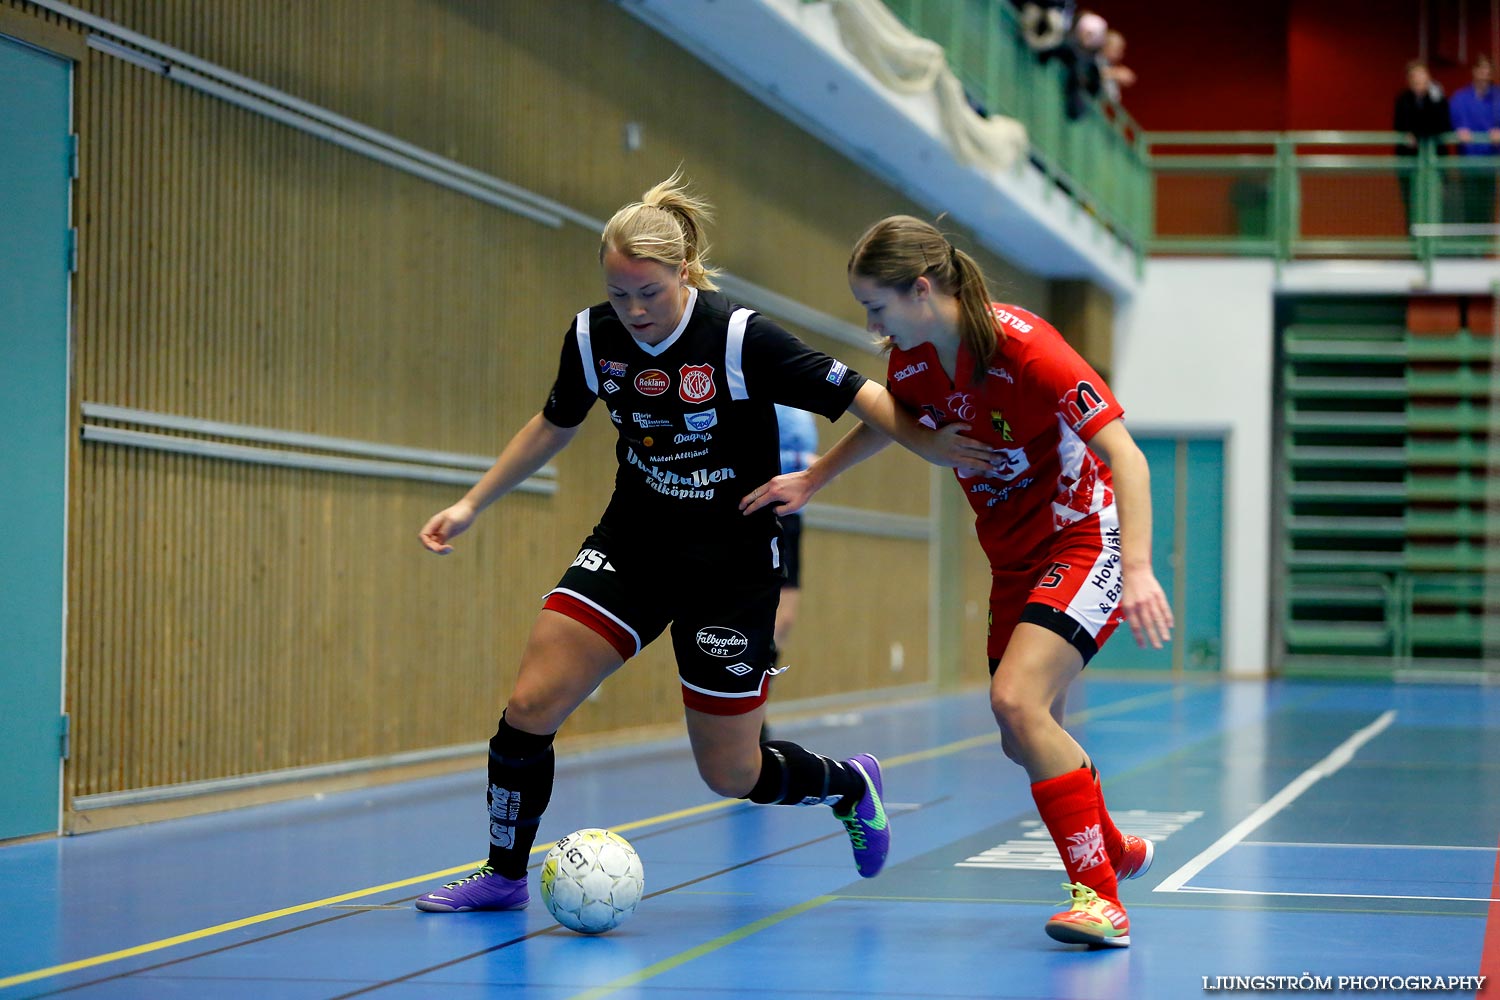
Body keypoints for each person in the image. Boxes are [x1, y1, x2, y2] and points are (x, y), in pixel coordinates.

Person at [412, 176, 997, 913]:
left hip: (730, 567)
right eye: (619, 294)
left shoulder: (740, 336)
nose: (634, 311)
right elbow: (554, 423)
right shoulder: (593, 338)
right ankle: (503, 874)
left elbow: (865, 396)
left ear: (682, 273)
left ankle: (848, 783)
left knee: (731, 774)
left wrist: (928, 444)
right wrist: (472, 503)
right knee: (529, 706)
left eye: (648, 293)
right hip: (633, 545)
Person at [742, 216, 1174, 949]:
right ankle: (1115, 849)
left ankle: (1101, 898)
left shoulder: (1030, 350)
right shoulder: (912, 362)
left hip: (1082, 538)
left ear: (920, 290)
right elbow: (888, 421)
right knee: (1022, 733)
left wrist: (1135, 568)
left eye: (876, 307)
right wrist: (815, 477)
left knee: (1017, 701)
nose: (870, 324)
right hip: (1012, 559)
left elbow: (1126, 456)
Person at [759, 404, 819, 744]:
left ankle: (757, 700)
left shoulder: (800, 408)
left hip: (792, 517)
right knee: (760, 618)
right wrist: (797, 462)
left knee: (784, 621)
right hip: (759, 512)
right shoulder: (755, 389)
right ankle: (746, 707)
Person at [1392, 59, 1451, 233]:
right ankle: (1414, 247)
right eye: (1416, 81)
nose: (1421, 86)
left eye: (1425, 81)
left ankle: (1435, 247)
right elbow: (1401, 125)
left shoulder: (1437, 99)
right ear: (1409, 81)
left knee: (1435, 205)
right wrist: (1419, 130)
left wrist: (1417, 132)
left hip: (1435, 164)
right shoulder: (1402, 100)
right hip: (1409, 163)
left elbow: (1441, 125)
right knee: (1412, 206)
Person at [1449, 54, 1500, 229]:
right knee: (1470, 208)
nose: (1484, 73)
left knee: (1487, 208)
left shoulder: (1498, 98)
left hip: (1490, 163)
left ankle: (1482, 249)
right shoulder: (1460, 98)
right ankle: (1472, 251)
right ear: (1474, 71)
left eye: (1488, 69)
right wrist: (1459, 131)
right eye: (1481, 69)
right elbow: (1455, 125)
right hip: (1468, 163)